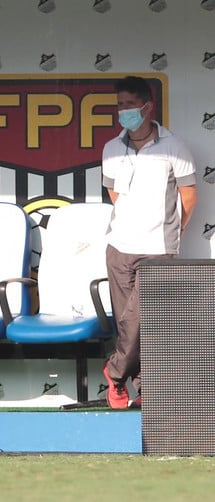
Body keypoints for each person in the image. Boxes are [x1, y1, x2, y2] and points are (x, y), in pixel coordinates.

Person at [101, 75, 197, 409]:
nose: (123, 112)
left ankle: (114, 372)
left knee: (144, 321)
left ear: (147, 106)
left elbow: (188, 196)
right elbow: (114, 194)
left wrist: (172, 231)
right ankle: (143, 388)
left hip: (159, 249)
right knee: (129, 323)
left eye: (129, 105)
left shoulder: (175, 146)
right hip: (119, 247)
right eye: (119, 106)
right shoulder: (111, 148)